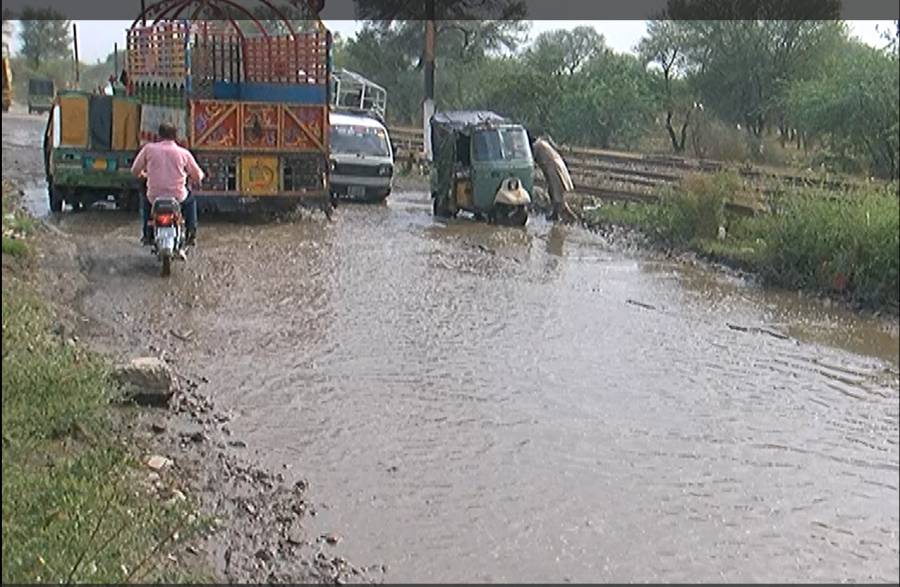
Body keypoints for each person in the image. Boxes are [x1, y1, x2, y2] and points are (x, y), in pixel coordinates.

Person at [131, 122, 204, 246]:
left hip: (154, 197)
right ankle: (191, 233)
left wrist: (143, 175)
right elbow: (197, 176)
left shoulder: (148, 149)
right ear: (175, 136)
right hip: (177, 197)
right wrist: (196, 178)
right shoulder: (183, 153)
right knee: (191, 201)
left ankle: (147, 234)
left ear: (159, 135)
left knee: (145, 202)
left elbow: (135, 170)